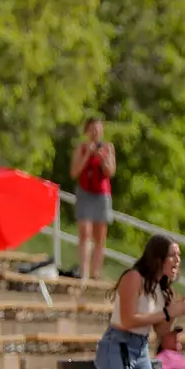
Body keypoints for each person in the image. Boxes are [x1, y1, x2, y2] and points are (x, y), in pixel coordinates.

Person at [96, 235, 185, 369]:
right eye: (172, 255)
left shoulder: (160, 287)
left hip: (141, 348)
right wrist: (167, 312)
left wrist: (175, 312)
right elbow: (127, 321)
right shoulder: (133, 278)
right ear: (158, 257)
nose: (177, 260)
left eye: (179, 256)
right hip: (118, 345)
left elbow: (161, 331)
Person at [70, 117, 115, 282]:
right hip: (84, 192)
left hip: (101, 194)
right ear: (87, 131)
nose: (96, 133)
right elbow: (74, 172)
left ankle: (96, 272)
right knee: (84, 232)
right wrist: (87, 154)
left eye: (98, 130)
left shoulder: (108, 148)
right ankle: (84, 271)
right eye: (92, 130)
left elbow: (110, 172)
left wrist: (102, 157)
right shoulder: (81, 148)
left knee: (100, 236)